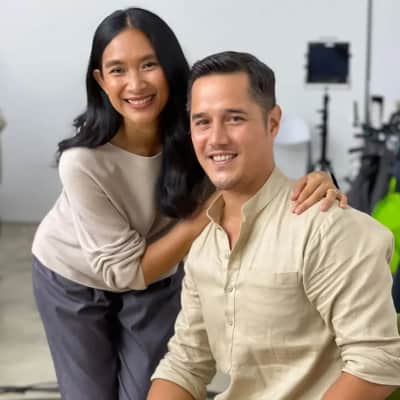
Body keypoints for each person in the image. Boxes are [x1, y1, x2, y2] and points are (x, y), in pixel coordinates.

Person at [31, 8, 346, 400]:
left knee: (147, 391)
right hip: (73, 275)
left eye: (149, 64)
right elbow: (124, 272)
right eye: (117, 70)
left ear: (170, 66)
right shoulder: (82, 161)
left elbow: (252, 174)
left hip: (157, 269)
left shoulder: (198, 127)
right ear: (100, 80)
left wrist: (314, 182)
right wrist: (201, 218)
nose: (135, 84)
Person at [148, 51, 400, 400]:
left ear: (273, 122)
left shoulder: (325, 227)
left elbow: (377, 364)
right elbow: (185, 363)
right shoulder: (205, 242)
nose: (216, 138)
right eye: (202, 122)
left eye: (234, 118)